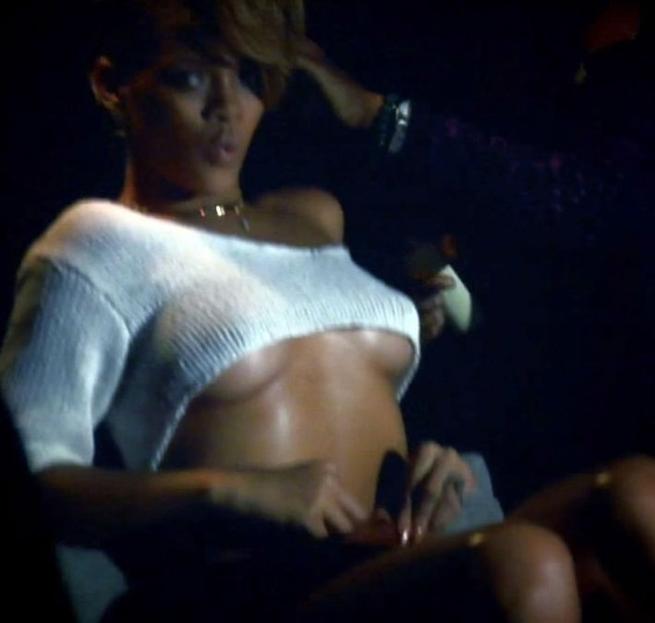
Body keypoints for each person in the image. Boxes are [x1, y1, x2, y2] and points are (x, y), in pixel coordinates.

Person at [1, 1, 654, 622]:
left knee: (635, 492)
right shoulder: (94, 243)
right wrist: (229, 488)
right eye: (189, 76)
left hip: (397, 548)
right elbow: (40, 481)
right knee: (521, 561)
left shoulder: (316, 214)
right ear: (112, 85)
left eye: (250, 77)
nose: (227, 107)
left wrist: (437, 464)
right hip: (256, 582)